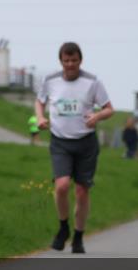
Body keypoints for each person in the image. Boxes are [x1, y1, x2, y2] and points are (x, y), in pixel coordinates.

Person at [35, 42, 114, 254]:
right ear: (60, 61)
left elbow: (109, 109)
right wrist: (41, 117)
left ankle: (79, 236)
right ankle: (63, 228)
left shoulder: (92, 81)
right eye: (66, 60)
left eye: (74, 60)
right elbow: (39, 101)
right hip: (60, 141)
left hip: (86, 142)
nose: (70, 65)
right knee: (61, 186)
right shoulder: (50, 80)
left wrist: (97, 116)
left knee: (81, 191)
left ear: (81, 60)